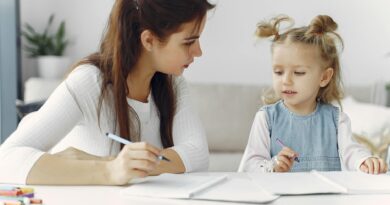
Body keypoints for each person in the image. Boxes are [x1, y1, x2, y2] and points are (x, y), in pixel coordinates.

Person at [0, 0, 215, 185]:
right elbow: (6, 159)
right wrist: (110, 169)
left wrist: (127, 165)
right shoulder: (90, 82)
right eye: (189, 42)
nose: (199, 52)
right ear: (148, 40)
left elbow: (197, 154)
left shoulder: (174, 85)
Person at [238, 15, 388, 174]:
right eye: (278, 72)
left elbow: (352, 152)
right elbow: (249, 166)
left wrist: (365, 161)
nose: (286, 80)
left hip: (324, 198)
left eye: (298, 72)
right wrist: (273, 165)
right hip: (280, 198)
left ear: (324, 77)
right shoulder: (266, 118)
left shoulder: (337, 120)